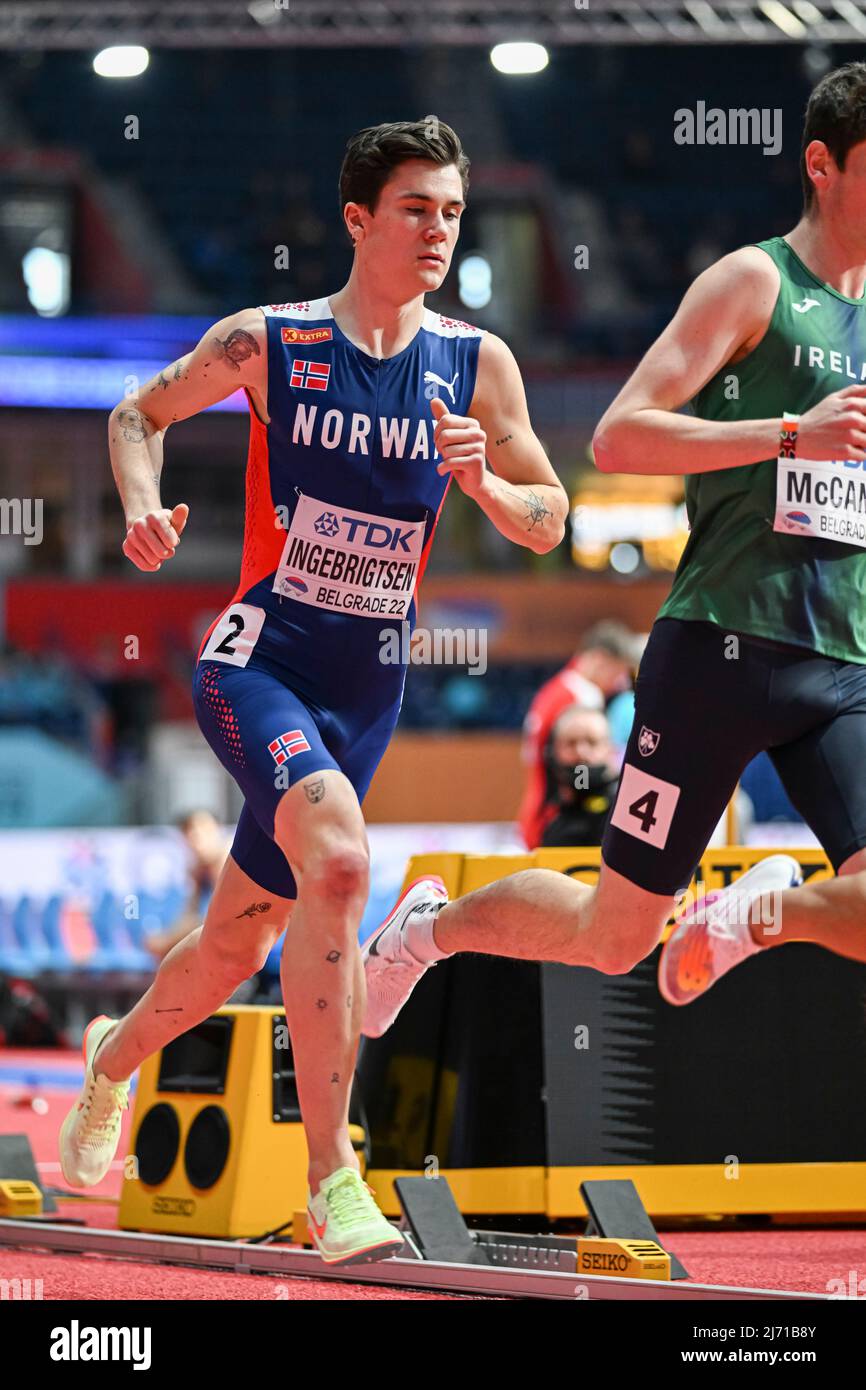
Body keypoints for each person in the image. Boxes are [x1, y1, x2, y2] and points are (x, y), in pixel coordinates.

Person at [58, 118, 568, 1266]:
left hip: (368, 689)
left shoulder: (477, 364)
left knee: (238, 941)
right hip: (260, 662)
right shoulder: (268, 344)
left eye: (449, 210)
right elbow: (134, 411)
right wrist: (141, 506)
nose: (438, 229)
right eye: (414, 209)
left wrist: (486, 489)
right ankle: (332, 1176)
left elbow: (551, 517)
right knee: (339, 861)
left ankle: (110, 1065)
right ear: (356, 220)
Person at [362, 62, 866, 1043]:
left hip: (841, 663)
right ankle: (425, 932)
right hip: (716, 649)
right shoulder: (753, 281)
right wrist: (786, 433)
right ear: (820, 163)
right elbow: (618, 436)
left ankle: (753, 916)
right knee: (612, 935)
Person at [517, 619, 641, 849]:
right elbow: (577, 776)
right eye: (618, 672)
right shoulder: (582, 698)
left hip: (538, 814)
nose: (618, 683)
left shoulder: (552, 691)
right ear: (599, 659)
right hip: (563, 824)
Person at [144, 809, 229, 962]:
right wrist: (168, 939)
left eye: (203, 829)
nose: (196, 836)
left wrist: (167, 940)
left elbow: (225, 918)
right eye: (189, 831)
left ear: (217, 829)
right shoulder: (198, 868)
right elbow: (190, 913)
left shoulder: (227, 860)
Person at [537, 703, 619, 849]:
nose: (581, 752)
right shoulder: (551, 818)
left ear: (610, 750)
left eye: (592, 742)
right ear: (554, 751)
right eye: (571, 743)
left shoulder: (624, 813)